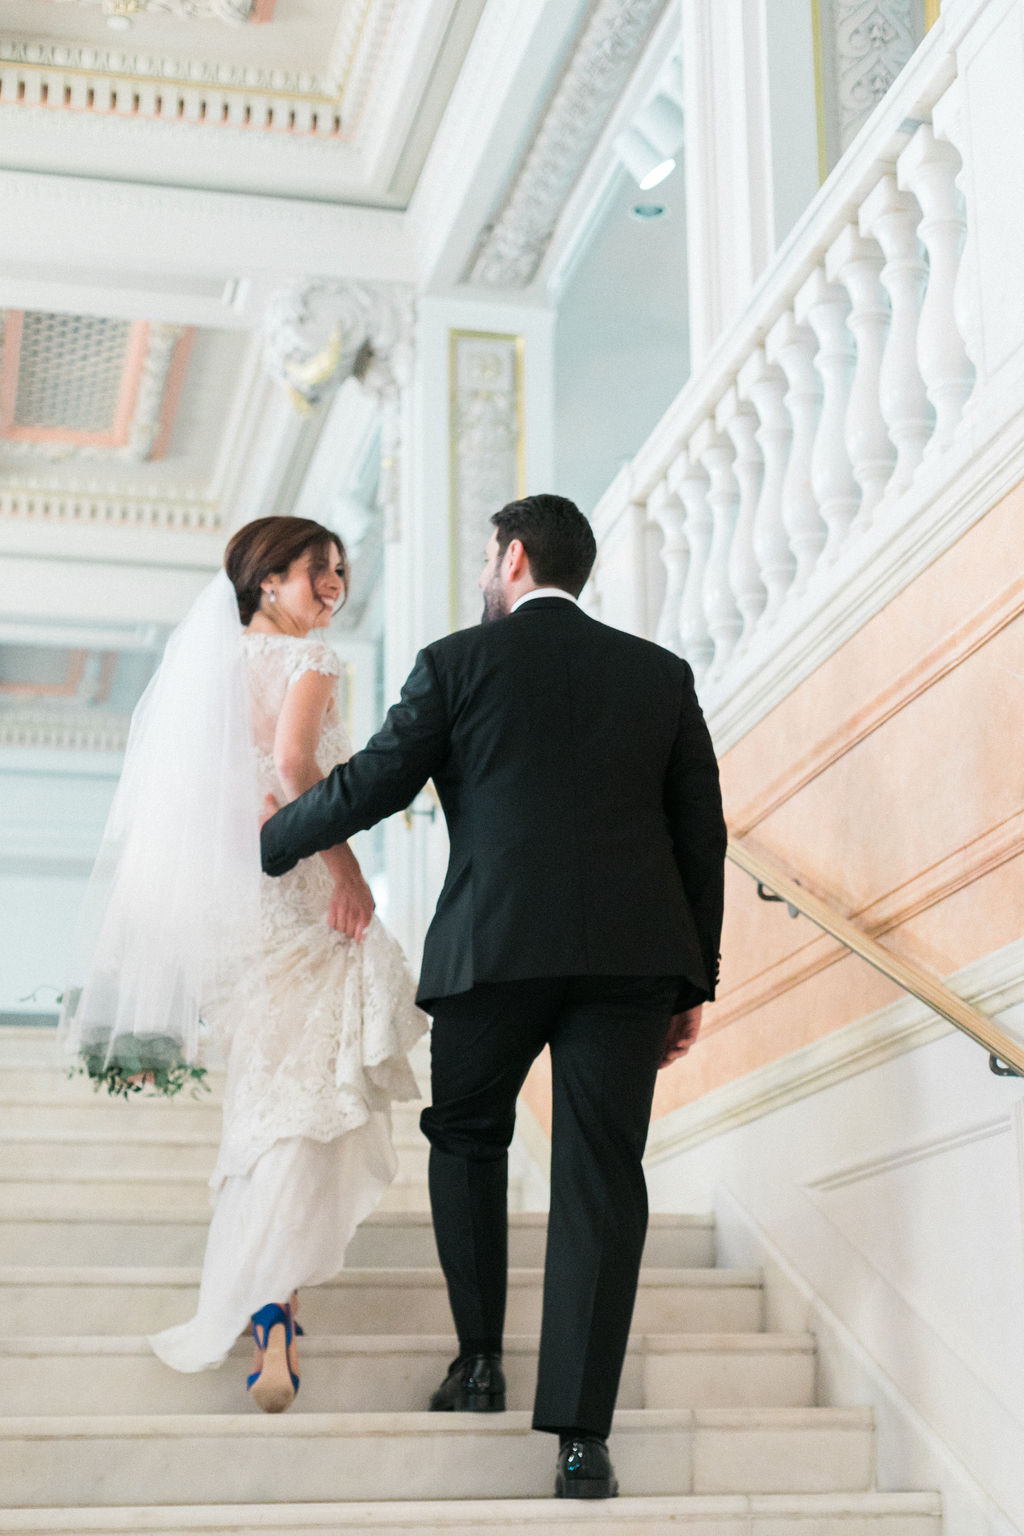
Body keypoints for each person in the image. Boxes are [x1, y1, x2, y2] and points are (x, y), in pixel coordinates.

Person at [260, 493, 726, 1495]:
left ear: (511, 559)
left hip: (491, 950)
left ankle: (477, 1367)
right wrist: (693, 980)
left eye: (487, 557)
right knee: (601, 1173)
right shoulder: (659, 676)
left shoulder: (456, 664)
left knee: (469, 1137)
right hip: (631, 961)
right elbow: (700, 838)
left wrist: (273, 838)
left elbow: (377, 780)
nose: (485, 572)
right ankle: (580, 1441)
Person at [64, 515, 426, 1412]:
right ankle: (274, 1306)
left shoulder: (210, 674)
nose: (334, 587)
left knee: (268, 1107)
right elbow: (298, 766)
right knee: (311, 1108)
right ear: (268, 581)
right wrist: (348, 872)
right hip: (303, 902)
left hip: (244, 922)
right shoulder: (312, 665)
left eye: (340, 572)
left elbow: (230, 801)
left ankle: (272, 1314)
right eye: (317, 573)